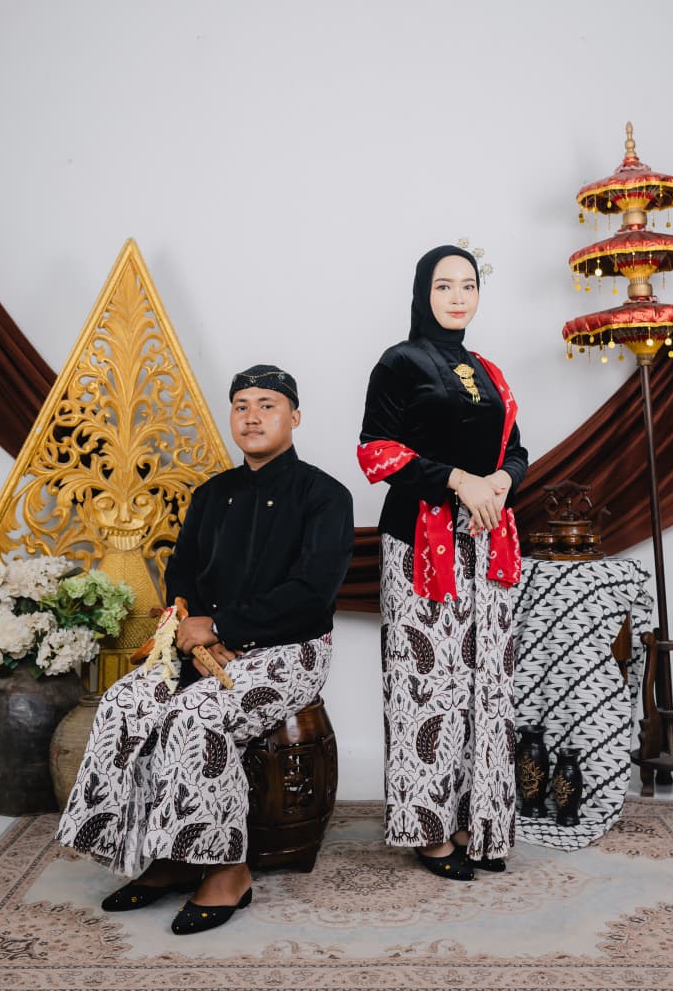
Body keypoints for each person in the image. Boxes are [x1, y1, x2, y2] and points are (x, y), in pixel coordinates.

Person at [57, 365, 354, 932]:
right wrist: (196, 630)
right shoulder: (212, 494)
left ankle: (226, 869)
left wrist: (223, 628)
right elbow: (183, 572)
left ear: (294, 417)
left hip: (291, 651)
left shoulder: (325, 496)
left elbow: (311, 592)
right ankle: (166, 855)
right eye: (242, 405)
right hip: (200, 646)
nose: (252, 416)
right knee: (124, 702)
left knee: (195, 714)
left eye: (267, 405)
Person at [357, 246, 528, 880]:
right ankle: (429, 832)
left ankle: (476, 823)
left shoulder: (489, 371)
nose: (457, 297)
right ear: (422, 293)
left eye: (468, 285)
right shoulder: (399, 362)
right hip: (420, 546)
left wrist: (499, 484)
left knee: (487, 686)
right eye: (444, 285)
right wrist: (460, 480)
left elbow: (517, 451)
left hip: (489, 542)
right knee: (429, 685)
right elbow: (376, 451)